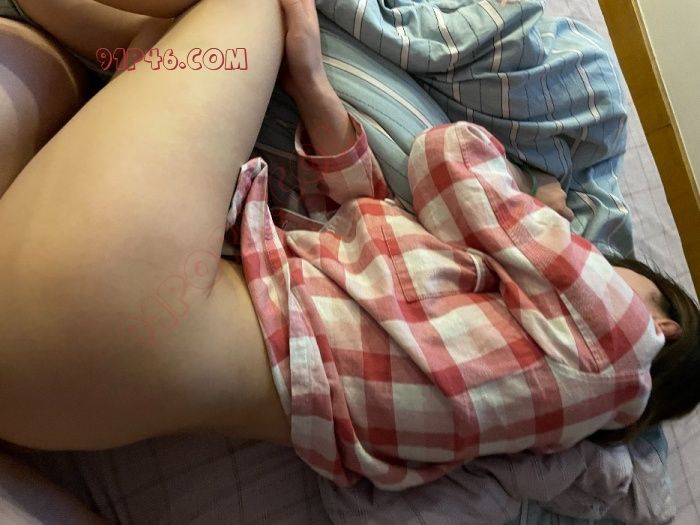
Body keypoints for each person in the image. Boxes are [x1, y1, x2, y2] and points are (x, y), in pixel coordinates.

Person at [0, 0, 697, 495]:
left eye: (609, 269)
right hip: (65, 403)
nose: (594, 262)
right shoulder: (523, 419)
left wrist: (539, 206)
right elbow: (365, 232)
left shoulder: (624, 340)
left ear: (662, 325)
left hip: (132, 300)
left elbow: (445, 157)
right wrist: (311, 85)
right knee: (149, 49)